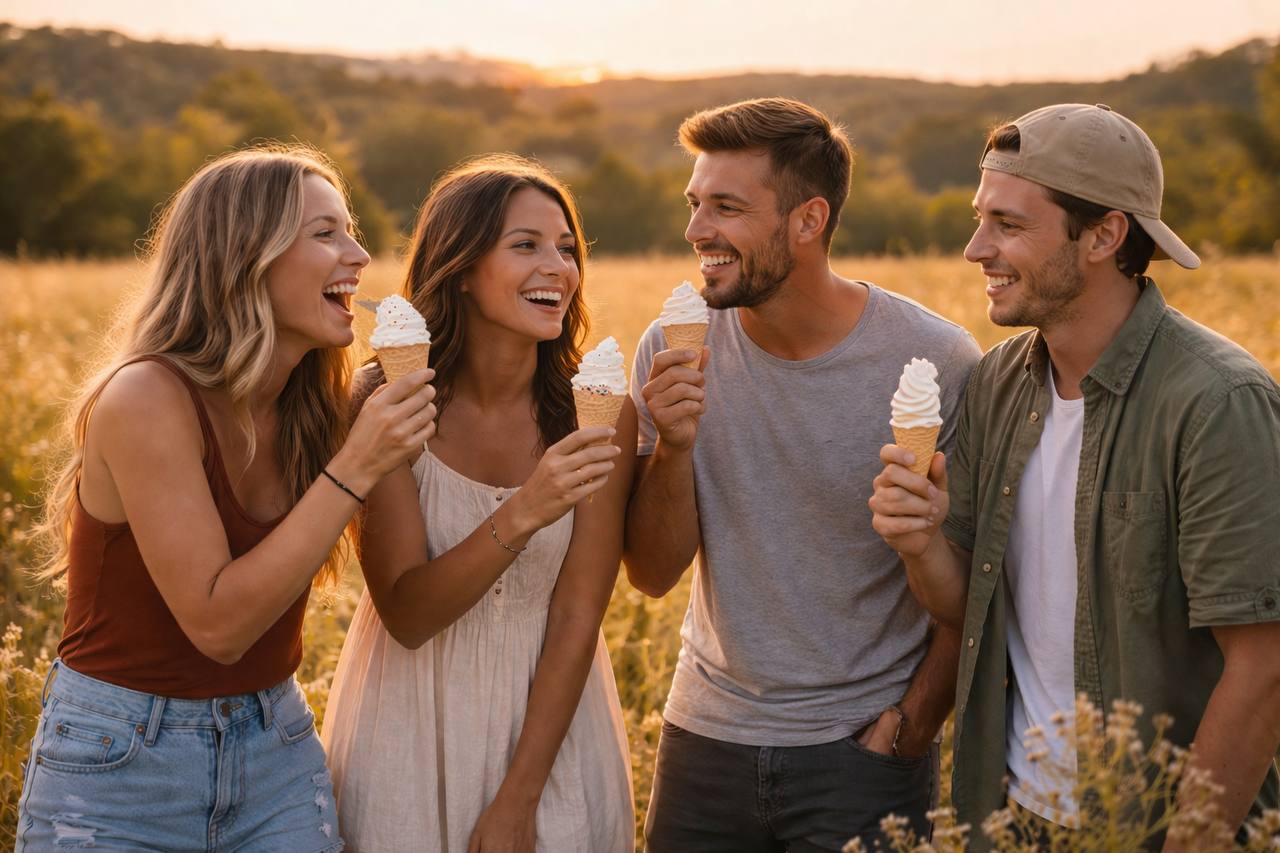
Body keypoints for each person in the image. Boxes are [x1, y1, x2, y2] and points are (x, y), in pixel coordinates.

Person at [869, 103, 1280, 845]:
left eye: (1009, 224)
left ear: (1103, 235)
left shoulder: (1218, 401)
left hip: (1153, 827)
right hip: (1012, 817)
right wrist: (920, 539)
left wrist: (1187, 839)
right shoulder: (998, 384)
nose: (975, 248)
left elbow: (1263, 666)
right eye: (979, 217)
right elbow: (968, 606)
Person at [17, 146, 437, 851]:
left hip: (275, 747)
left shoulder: (317, 407)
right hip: (121, 762)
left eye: (351, 230)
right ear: (246, 256)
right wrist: (358, 465)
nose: (359, 254)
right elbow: (217, 625)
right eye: (325, 233)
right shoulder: (146, 397)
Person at [624, 97, 982, 851]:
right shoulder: (673, 346)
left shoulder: (935, 361)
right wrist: (675, 448)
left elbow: (978, 579)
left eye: (726, 207)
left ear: (808, 220)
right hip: (703, 739)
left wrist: (909, 728)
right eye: (695, 204)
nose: (696, 231)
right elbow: (652, 574)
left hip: (862, 753)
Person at [321, 154, 635, 852]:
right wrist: (527, 509)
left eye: (567, 248)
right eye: (525, 245)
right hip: (407, 724)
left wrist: (521, 798)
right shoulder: (387, 400)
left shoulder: (600, 411)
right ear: (461, 268)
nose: (557, 265)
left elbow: (579, 611)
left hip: (554, 739)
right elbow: (407, 612)